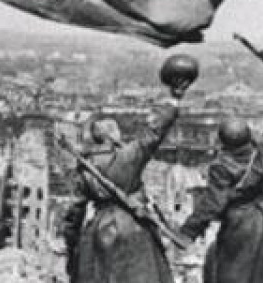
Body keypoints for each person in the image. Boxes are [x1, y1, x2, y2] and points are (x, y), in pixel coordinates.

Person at [62, 72, 192, 283]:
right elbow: (154, 133)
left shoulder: (84, 168)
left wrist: (72, 248)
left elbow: (74, 214)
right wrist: (174, 100)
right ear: (114, 136)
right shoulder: (128, 156)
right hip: (133, 226)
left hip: (99, 229)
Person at [178, 85, 263, 283]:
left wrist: (188, 232)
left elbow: (213, 203)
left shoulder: (220, 167)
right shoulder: (262, 151)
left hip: (240, 225)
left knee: (234, 273)